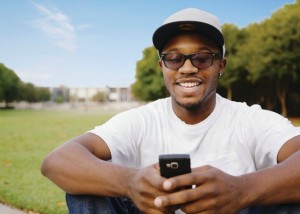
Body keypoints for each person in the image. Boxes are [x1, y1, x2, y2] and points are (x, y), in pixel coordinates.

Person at [41, 8, 300, 214]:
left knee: (290, 194)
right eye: (174, 58)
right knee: (87, 186)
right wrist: (130, 184)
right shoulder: (141, 120)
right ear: (161, 66)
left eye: (202, 57)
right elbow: (57, 161)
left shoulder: (249, 119)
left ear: (221, 65)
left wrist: (242, 190)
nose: (187, 68)